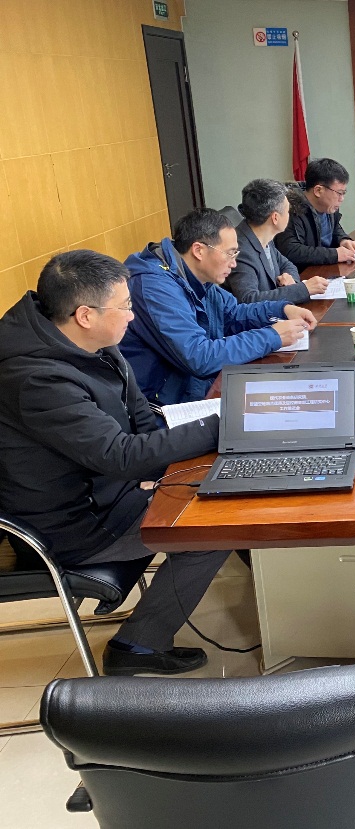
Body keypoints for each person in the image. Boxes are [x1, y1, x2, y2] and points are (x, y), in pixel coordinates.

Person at [0, 250, 230, 676]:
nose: (132, 315)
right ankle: (138, 647)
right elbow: (121, 455)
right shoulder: (36, 379)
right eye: (124, 307)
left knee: (219, 490)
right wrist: (221, 426)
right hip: (71, 527)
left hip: (109, 495)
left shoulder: (93, 345)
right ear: (85, 315)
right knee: (213, 529)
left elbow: (140, 420)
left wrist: (182, 457)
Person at [120, 208, 317, 406]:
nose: (234, 264)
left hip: (195, 387)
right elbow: (198, 356)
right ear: (199, 250)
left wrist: (281, 310)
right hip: (163, 405)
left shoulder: (191, 273)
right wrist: (271, 336)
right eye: (230, 254)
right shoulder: (156, 287)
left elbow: (233, 314)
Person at [225, 179, 331, 304]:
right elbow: (249, 299)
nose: (289, 215)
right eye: (287, 211)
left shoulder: (263, 235)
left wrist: (289, 278)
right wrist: (303, 289)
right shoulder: (240, 250)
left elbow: (287, 265)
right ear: (275, 218)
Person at [274, 157, 355, 268]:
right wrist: (334, 254)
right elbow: (291, 250)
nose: (342, 199)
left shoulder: (328, 206)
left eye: (343, 193)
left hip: (324, 267)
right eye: (339, 193)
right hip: (304, 273)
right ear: (318, 190)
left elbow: (335, 227)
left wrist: (343, 239)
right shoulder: (290, 209)